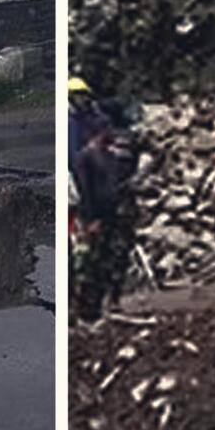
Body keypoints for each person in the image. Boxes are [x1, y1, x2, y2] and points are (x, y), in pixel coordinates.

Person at [73, 109, 138, 317]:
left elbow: (125, 182)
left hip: (118, 213)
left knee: (118, 256)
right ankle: (90, 305)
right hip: (98, 215)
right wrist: (89, 218)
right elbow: (85, 190)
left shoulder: (117, 155)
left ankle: (114, 299)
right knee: (94, 261)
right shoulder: (87, 158)